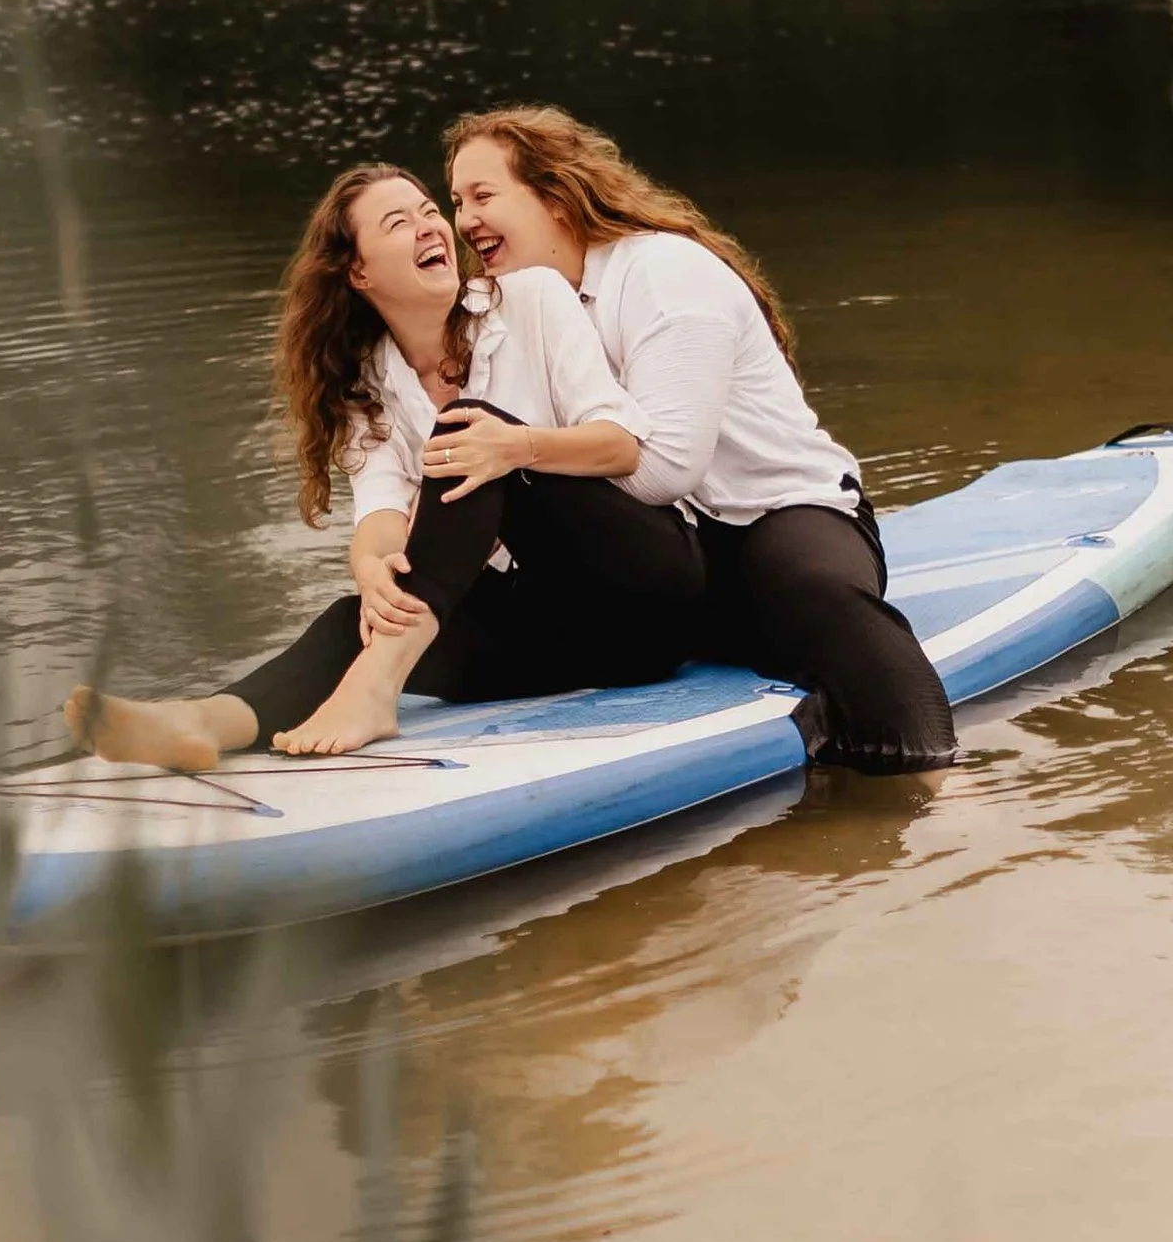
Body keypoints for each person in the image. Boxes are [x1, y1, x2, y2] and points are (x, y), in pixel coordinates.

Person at [69, 160, 705, 772]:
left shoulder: (532, 298)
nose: (432, 227)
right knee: (356, 618)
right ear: (358, 272)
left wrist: (517, 447)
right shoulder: (364, 381)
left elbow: (621, 444)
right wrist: (372, 569)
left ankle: (374, 691)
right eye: (399, 223)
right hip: (555, 640)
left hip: (646, 598)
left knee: (472, 435)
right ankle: (204, 723)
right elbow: (380, 511)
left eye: (430, 212)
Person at [444, 105, 955, 774]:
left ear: (556, 197)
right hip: (674, 550)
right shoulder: (514, 309)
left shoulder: (662, 273)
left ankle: (932, 780)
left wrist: (526, 450)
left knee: (808, 591)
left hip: (779, 510)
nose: (464, 220)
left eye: (483, 196)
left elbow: (664, 469)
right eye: (457, 201)